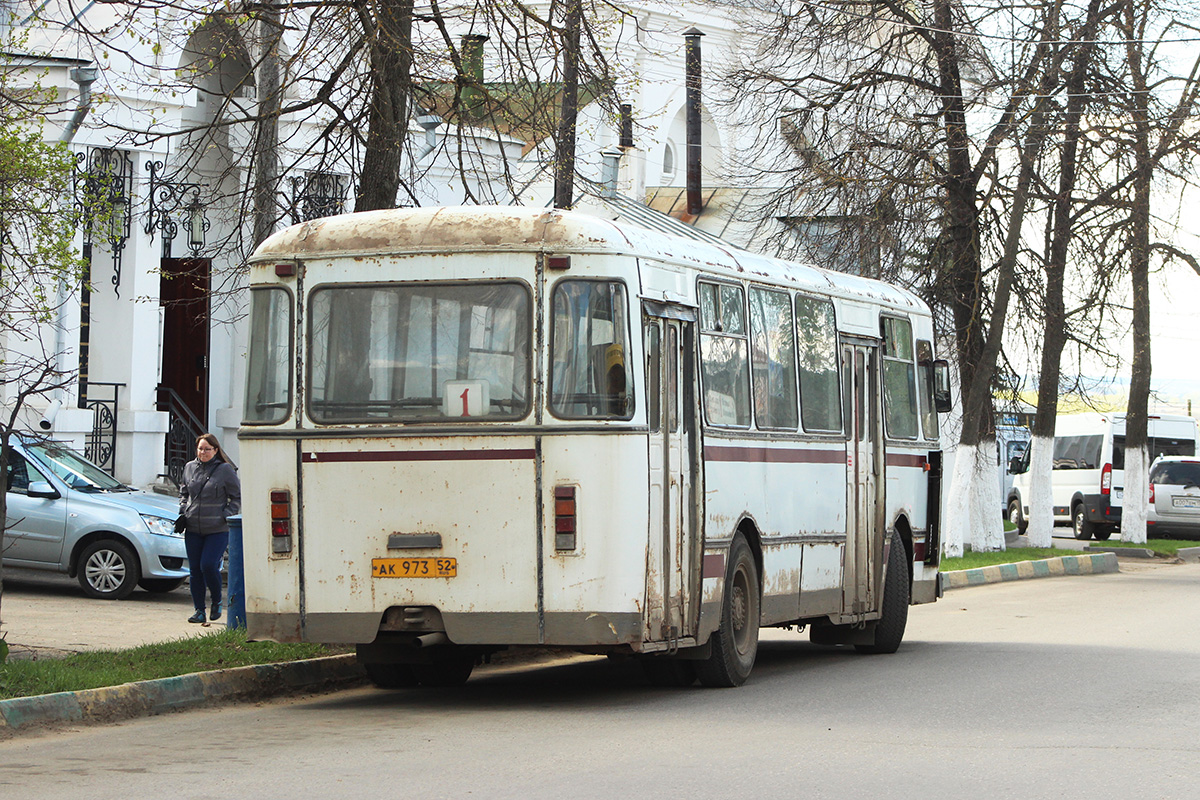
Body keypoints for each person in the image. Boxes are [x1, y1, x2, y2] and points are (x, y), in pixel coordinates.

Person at [179, 433, 241, 624]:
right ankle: (199, 610)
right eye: (200, 449)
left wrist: (225, 515)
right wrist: (183, 509)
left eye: (207, 449)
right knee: (195, 570)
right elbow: (183, 492)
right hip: (193, 528)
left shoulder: (225, 470)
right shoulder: (189, 468)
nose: (203, 452)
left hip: (216, 529)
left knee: (208, 565)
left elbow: (236, 497)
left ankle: (216, 600)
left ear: (215, 450)